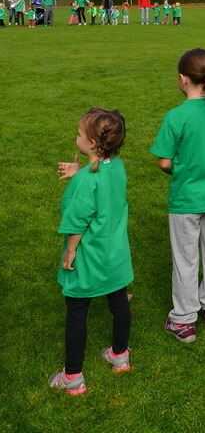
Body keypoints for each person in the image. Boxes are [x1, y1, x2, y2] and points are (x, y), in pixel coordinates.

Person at [151, 49, 205, 342]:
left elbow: (163, 161)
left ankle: (184, 321)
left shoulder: (176, 116)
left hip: (185, 198)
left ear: (182, 79)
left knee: (185, 259)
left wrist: (181, 167)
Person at [49, 109, 133, 395]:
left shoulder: (85, 182)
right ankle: (120, 356)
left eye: (79, 133)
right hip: (115, 255)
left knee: (76, 311)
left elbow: (77, 220)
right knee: (119, 301)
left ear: (93, 144)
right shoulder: (117, 166)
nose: (76, 136)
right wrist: (79, 171)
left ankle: (73, 376)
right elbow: (101, 178)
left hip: (88, 256)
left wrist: (70, 251)